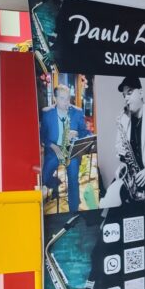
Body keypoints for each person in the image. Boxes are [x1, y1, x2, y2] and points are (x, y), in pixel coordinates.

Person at [98, 77, 145, 207]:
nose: (126, 98)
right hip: (132, 174)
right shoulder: (123, 118)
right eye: (124, 95)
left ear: (141, 93)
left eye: (129, 93)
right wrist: (120, 152)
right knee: (107, 202)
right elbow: (119, 147)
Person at [40, 84, 91, 212]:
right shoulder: (47, 113)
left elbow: (86, 133)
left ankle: (73, 212)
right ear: (55, 99)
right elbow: (42, 136)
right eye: (62, 98)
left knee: (73, 178)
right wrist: (55, 148)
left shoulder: (77, 112)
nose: (66, 102)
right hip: (53, 150)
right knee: (44, 178)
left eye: (68, 98)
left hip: (71, 150)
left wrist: (77, 133)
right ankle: (56, 182)